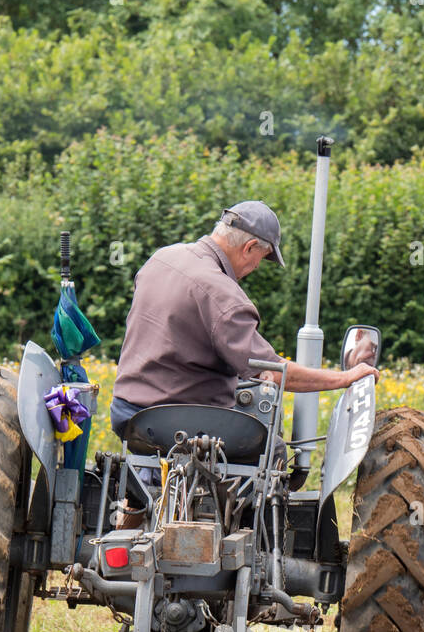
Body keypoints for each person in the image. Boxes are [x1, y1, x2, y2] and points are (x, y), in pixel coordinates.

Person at [110, 201, 378, 485]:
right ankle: (253, 526)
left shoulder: (161, 258)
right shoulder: (223, 294)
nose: (255, 267)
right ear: (249, 247)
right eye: (260, 258)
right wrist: (344, 377)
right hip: (180, 422)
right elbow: (273, 371)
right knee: (270, 448)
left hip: (130, 415)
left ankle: (139, 501)